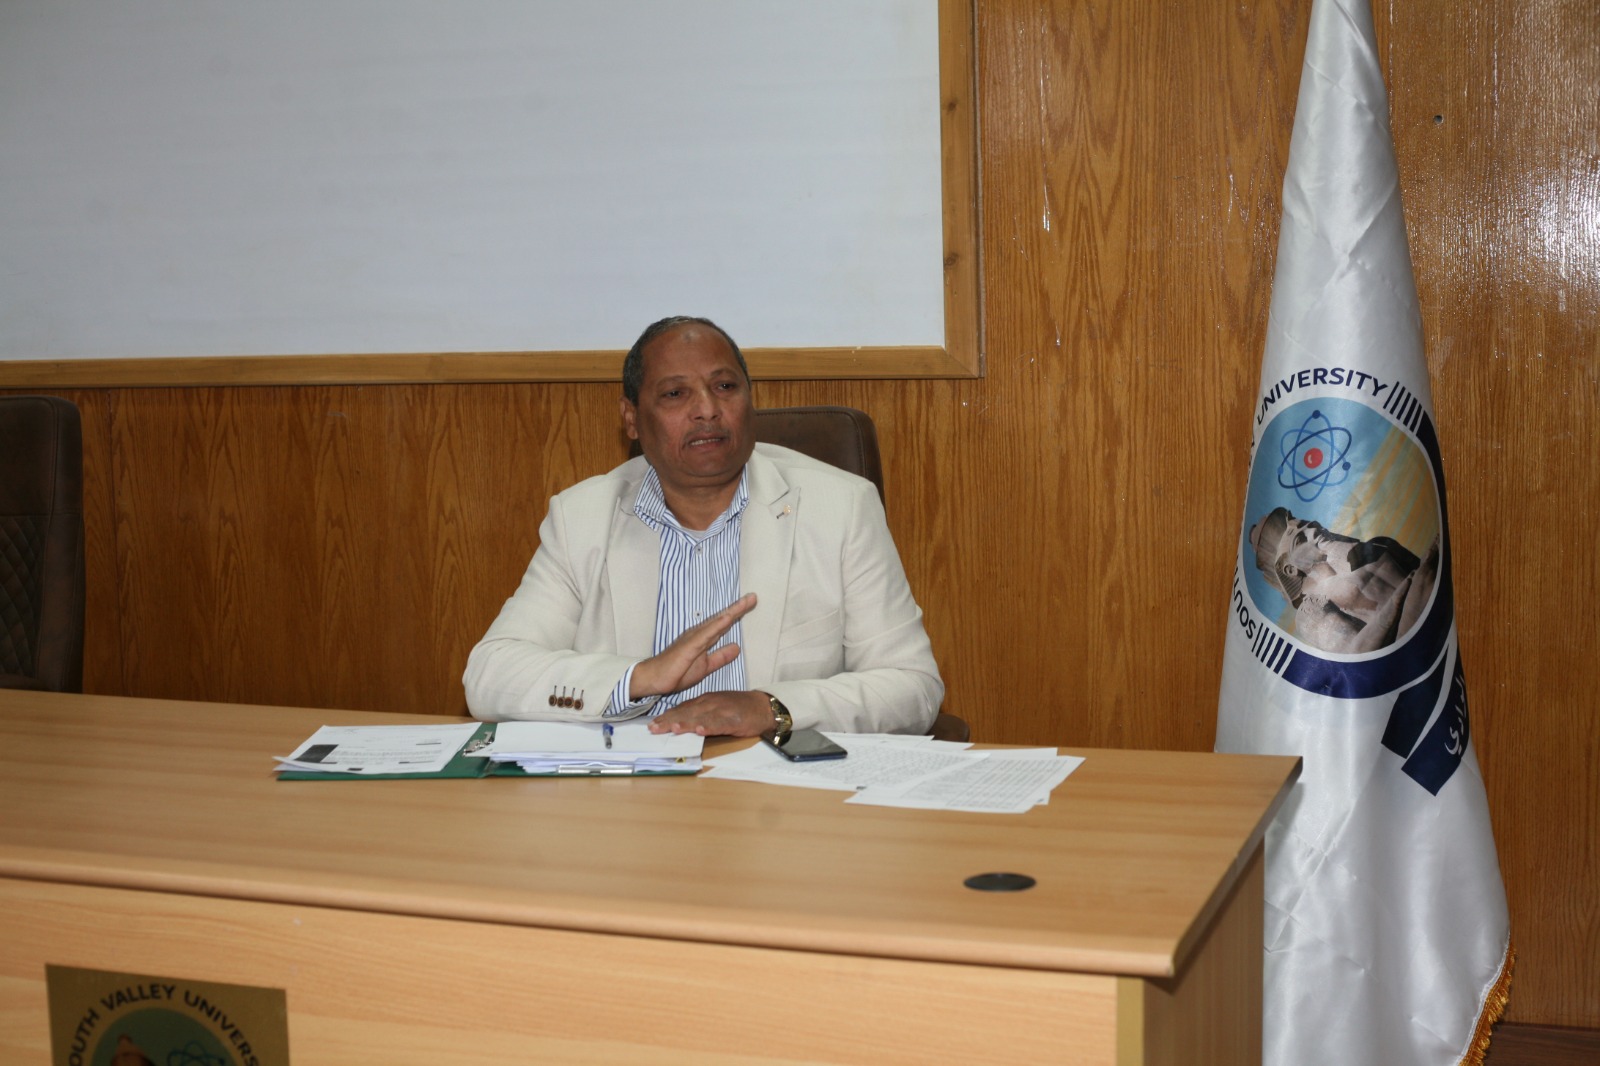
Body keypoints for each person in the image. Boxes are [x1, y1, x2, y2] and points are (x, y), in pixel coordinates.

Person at [463, 315, 943, 737]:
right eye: (675, 394)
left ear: (750, 400)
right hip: (632, 786)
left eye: (725, 387)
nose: (708, 409)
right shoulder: (582, 518)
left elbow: (912, 687)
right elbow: (490, 676)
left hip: (776, 787)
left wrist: (769, 708)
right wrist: (640, 677)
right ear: (632, 419)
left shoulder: (840, 507)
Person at [1248, 506, 1440, 654]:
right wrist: (1397, 604)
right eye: (1301, 539)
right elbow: (1358, 655)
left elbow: (1424, 570)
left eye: (1311, 526)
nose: (1314, 531)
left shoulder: (1379, 544)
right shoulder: (1310, 611)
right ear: (1290, 569)